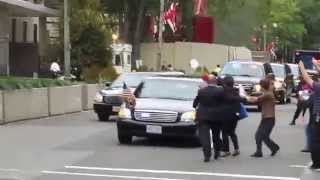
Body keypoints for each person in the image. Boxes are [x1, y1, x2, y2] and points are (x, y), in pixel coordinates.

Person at [193, 74, 224, 162]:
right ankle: (217, 152)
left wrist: (197, 107)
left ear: (207, 82)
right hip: (217, 116)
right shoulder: (220, 91)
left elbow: (195, 104)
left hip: (203, 115)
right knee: (216, 135)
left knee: (204, 136)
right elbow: (224, 102)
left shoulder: (201, 91)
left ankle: (207, 155)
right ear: (216, 82)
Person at [246, 78, 280, 158]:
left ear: (263, 86)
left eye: (261, 86)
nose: (260, 87)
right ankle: (274, 147)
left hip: (268, 119)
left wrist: (245, 96)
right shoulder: (268, 93)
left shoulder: (268, 94)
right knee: (263, 136)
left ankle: (260, 152)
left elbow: (255, 100)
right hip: (268, 118)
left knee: (258, 135)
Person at [298, 60, 320, 169]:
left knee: (315, 141)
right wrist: (316, 66)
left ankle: (316, 163)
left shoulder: (319, 87)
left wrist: (302, 67)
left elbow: (307, 78)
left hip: (318, 117)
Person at [220, 76, 246, 157]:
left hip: (225, 115)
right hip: (235, 115)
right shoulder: (235, 91)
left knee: (224, 133)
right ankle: (236, 149)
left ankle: (226, 150)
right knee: (232, 132)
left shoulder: (223, 92)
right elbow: (242, 100)